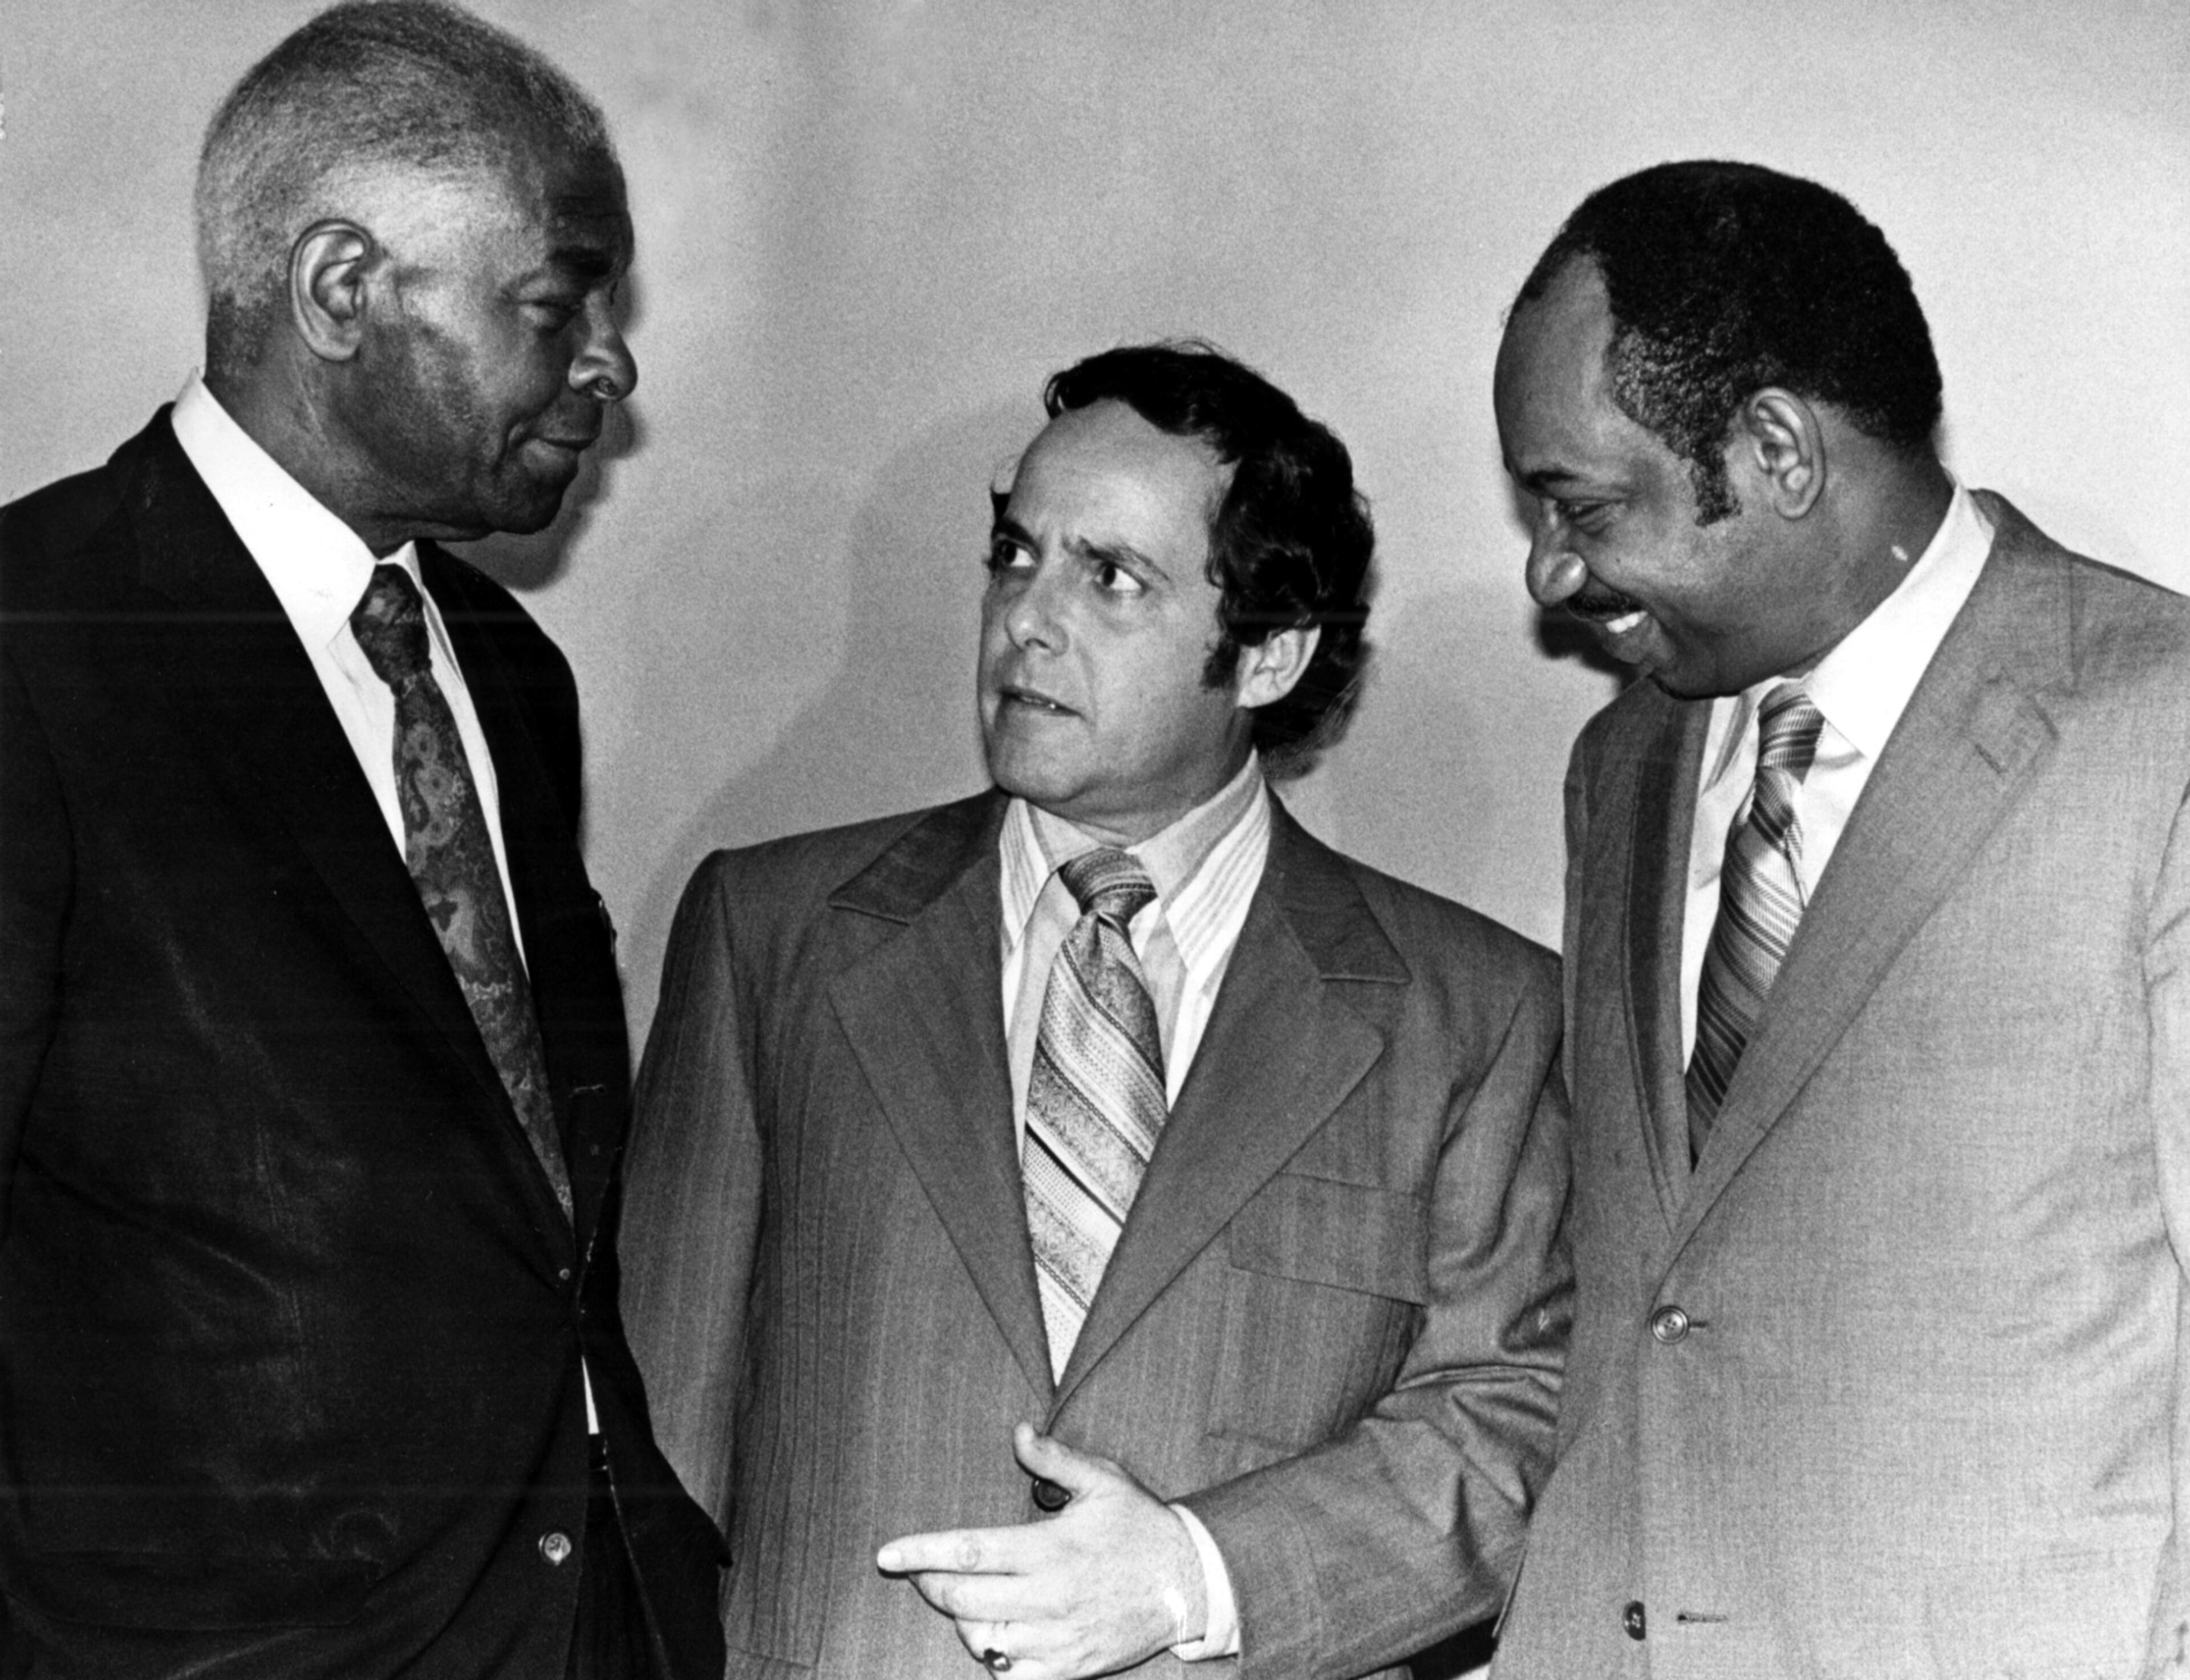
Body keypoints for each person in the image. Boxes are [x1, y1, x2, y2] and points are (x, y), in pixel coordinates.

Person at [620, 341, 1571, 1680]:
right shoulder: (772, 936)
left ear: (1268, 656)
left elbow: (1511, 1425)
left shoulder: (1477, 1016)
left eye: (1110, 578)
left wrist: (1199, 1575)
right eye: (1016, 555)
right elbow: (657, 1446)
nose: (1028, 620)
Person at [0, 3, 725, 1675]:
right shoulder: (39, 643)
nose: (610, 364)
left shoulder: (506, 671)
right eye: (557, 304)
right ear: (340, 289)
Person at [1487, 159, 2190, 1677]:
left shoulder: (2159, 732)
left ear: (1778, 450)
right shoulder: (1625, 763)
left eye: (1581, 505)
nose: (1548, 575)